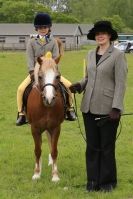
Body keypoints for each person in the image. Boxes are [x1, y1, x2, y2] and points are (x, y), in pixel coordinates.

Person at [69, 21, 128, 192]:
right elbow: (88, 78)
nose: (100, 36)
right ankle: (92, 182)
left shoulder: (117, 55)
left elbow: (121, 83)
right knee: (92, 147)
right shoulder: (89, 54)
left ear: (109, 35)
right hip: (88, 107)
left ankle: (108, 182)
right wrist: (79, 85)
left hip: (109, 109)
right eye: (97, 33)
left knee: (107, 147)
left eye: (103, 33)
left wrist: (116, 107)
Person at [16, 12, 76, 126]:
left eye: (45, 27)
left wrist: (54, 71)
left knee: (69, 86)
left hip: (51, 73)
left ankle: (70, 109)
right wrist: (31, 71)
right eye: (40, 27)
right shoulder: (32, 42)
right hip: (36, 72)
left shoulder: (53, 42)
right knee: (20, 89)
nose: (43, 29)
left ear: (49, 28)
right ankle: (21, 114)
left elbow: (55, 58)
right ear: (36, 28)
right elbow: (29, 58)